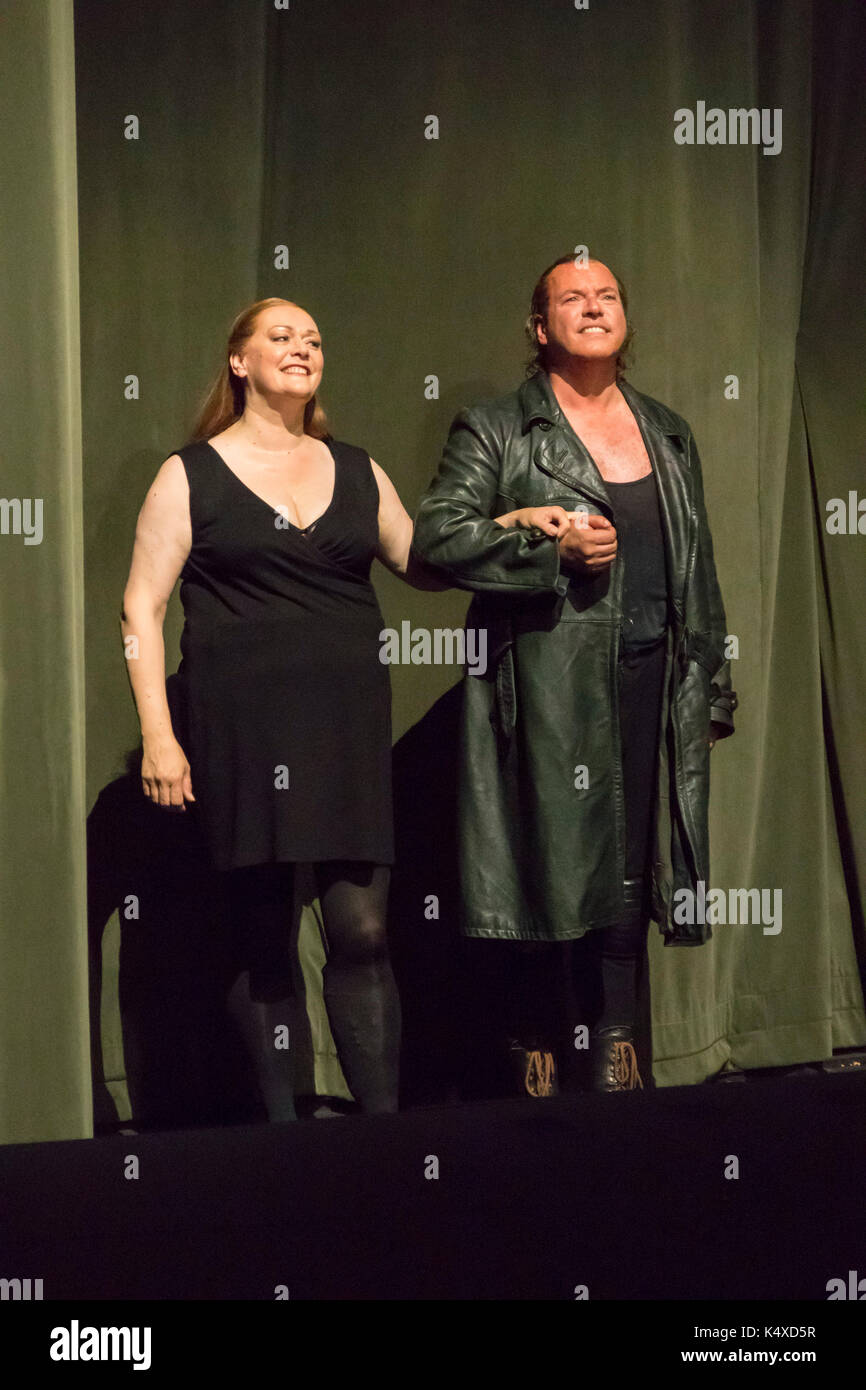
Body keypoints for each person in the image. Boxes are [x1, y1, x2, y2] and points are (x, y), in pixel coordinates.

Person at [411, 255, 737, 1093]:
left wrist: (713, 686)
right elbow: (436, 539)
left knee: (632, 877)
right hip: (551, 687)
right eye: (571, 298)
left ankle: (618, 1066)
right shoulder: (498, 427)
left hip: (651, 685)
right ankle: (537, 1069)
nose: (593, 308)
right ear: (539, 325)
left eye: (608, 296)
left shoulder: (667, 431)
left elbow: (698, 567)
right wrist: (542, 547)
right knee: (547, 880)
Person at [120, 296, 439, 1120]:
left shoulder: (358, 467)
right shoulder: (189, 474)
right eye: (281, 336)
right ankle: (282, 1136)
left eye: (314, 339)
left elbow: (423, 560)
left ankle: (383, 1135)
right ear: (239, 361)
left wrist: (516, 528)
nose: (302, 348)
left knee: (363, 933)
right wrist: (160, 736)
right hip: (243, 732)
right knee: (264, 941)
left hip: (345, 730)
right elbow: (141, 610)